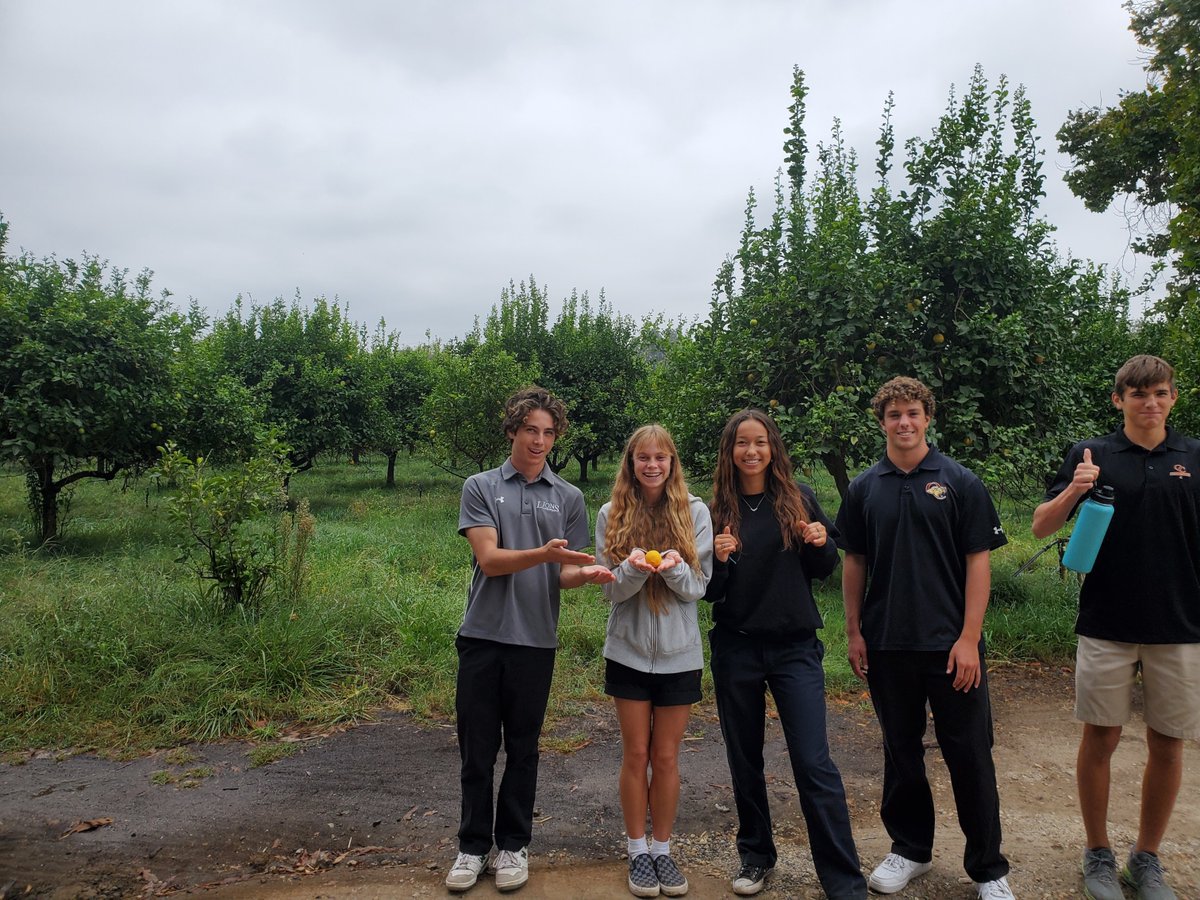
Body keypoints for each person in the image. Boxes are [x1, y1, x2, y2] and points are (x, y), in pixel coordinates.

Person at [835, 376, 1014, 899]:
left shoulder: (960, 481)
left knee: (970, 754)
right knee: (901, 751)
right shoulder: (866, 487)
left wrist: (969, 638)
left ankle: (989, 868)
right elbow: (855, 563)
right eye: (894, 415)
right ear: (882, 421)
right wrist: (854, 632)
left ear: (928, 417)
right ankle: (911, 849)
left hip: (952, 645)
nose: (904, 422)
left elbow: (977, 562)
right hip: (887, 643)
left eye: (912, 412)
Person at [1032, 354, 1199, 900]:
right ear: (1118, 399)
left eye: (1159, 393)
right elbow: (1040, 527)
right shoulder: (1093, 454)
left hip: (1181, 624)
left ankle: (1145, 860)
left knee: (1168, 744)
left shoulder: (1194, 456)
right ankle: (1097, 854)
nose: (1150, 403)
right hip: (1106, 623)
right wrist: (1075, 489)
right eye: (1138, 394)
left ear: (1174, 397)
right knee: (1100, 737)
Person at [445, 386, 616, 894]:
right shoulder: (479, 486)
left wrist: (585, 576)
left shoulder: (569, 497)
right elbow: (491, 561)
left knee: (523, 749)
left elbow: (560, 574)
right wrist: (543, 555)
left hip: (536, 642)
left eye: (548, 432)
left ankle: (513, 846)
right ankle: (472, 848)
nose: (539, 441)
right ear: (513, 431)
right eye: (531, 431)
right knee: (477, 750)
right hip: (482, 636)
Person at [703, 409, 868, 899]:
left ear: (773, 448)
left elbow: (821, 568)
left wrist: (819, 541)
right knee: (744, 758)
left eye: (760, 442)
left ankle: (842, 879)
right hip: (737, 648)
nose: (751, 451)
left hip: (795, 647)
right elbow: (707, 593)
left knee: (813, 762)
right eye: (741, 443)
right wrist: (718, 558)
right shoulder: (715, 511)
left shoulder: (798, 499)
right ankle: (756, 856)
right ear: (729, 451)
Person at [596, 424, 714, 898]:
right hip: (626, 652)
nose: (651, 465)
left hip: (679, 655)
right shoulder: (611, 512)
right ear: (631, 463)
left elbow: (698, 589)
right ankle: (637, 850)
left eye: (660, 458)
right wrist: (631, 569)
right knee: (636, 754)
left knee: (665, 757)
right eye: (643, 458)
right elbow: (610, 591)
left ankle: (662, 851)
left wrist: (675, 567)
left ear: (672, 463)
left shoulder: (695, 512)